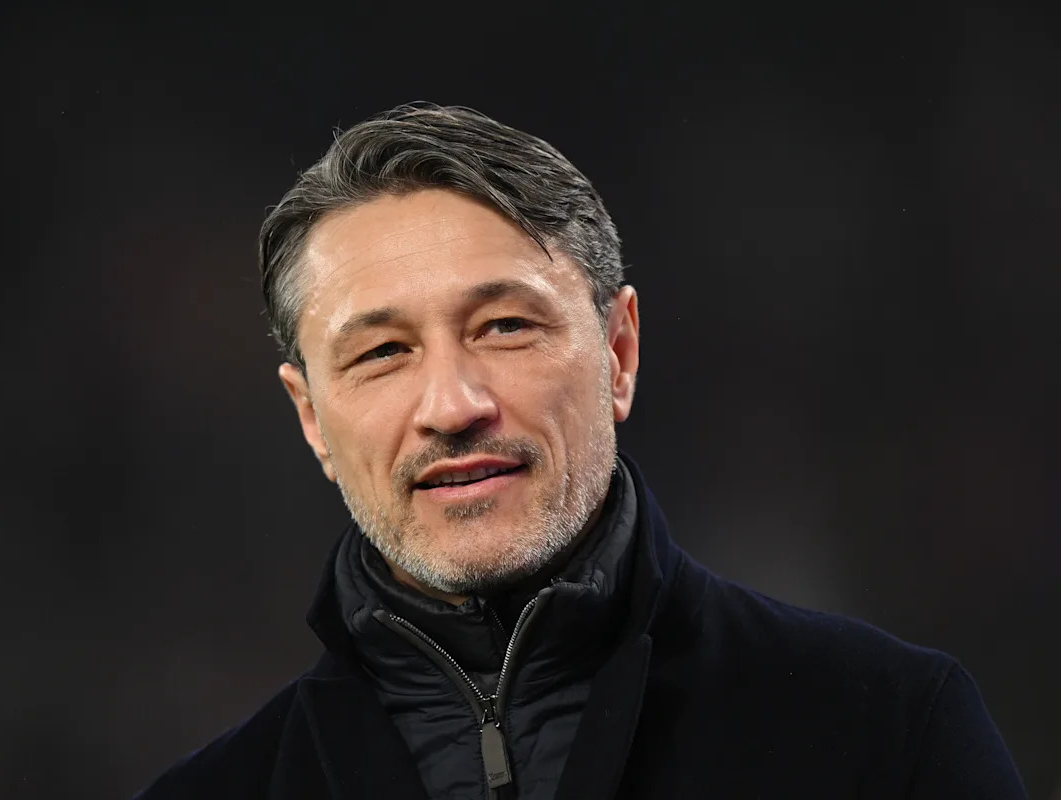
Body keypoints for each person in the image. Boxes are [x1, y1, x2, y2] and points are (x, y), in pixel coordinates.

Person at [133, 103, 1024, 799]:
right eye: (381, 353)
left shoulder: (889, 733)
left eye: (505, 326)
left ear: (619, 352)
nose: (452, 406)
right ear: (311, 418)